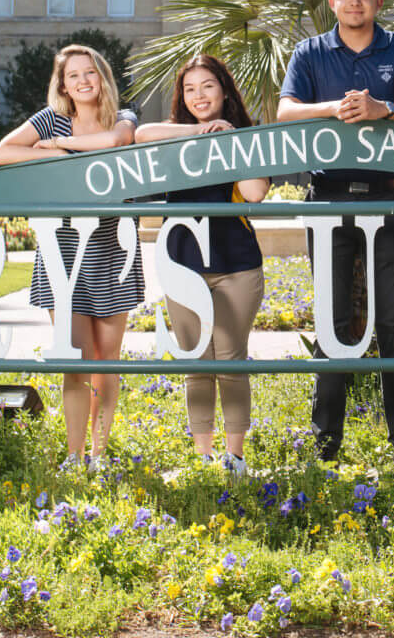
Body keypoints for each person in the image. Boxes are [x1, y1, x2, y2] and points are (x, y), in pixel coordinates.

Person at [278, 0, 394, 460]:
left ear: (378, 2)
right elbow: (285, 112)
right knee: (331, 322)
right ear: (333, 2)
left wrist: (382, 108)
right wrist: (331, 107)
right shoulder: (309, 52)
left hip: (389, 198)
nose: (354, 1)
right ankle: (326, 443)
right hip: (327, 198)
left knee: (393, 322)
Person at [0, 44, 138, 468]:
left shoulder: (122, 117)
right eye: (73, 75)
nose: (82, 81)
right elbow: (3, 153)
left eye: (89, 73)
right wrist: (54, 151)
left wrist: (59, 146)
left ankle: (99, 453)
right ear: (63, 84)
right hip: (63, 250)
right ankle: (74, 455)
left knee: (106, 362)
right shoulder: (47, 119)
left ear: (102, 77)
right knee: (74, 357)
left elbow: (115, 141)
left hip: (113, 247)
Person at [136, 55, 269, 477]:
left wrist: (230, 141)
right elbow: (140, 134)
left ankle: (235, 458)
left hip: (237, 263)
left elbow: (254, 194)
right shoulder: (173, 135)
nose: (199, 96)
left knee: (230, 360)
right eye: (190, 89)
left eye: (207, 86)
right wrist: (197, 132)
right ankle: (202, 458)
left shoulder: (245, 136)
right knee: (196, 361)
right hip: (183, 263)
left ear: (224, 90)